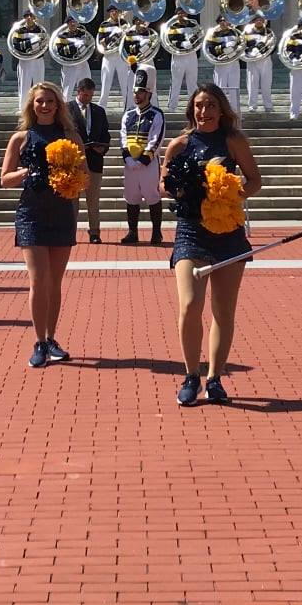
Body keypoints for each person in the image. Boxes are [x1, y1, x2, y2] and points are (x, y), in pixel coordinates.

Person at [162, 82, 263, 406]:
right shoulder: (179, 144)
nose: (204, 111)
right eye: (199, 106)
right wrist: (184, 191)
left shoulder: (233, 141)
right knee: (190, 305)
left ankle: (215, 378)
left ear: (221, 110)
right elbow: (164, 185)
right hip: (191, 232)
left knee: (223, 310)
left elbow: (255, 180)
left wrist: (229, 194)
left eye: (210, 106)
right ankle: (191, 375)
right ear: (191, 109)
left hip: (228, 233)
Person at [2, 80, 82, 367]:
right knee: (39, 280)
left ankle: (50, 337)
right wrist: (29, 172)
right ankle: (38, 342)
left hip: (61, 213)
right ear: (31, 105)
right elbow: (4, 179)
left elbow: (82, 174)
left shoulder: (70, 135)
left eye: (50, 101)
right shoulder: (20, 138)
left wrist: (70, 180)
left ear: (58, 105)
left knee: (55, 282)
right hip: (31, 214)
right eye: (39, 101)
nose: (45, 106)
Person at [119, 77, 167, 245]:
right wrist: (128, 158)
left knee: (152, 196)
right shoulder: (128, 114)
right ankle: (133, 232)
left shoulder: (156, 114)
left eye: (140, 92)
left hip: (148, 164)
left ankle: (156, 233)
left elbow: (156, 139)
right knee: (131, 197)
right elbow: (123, 137)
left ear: (148, 93)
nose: (137, 95)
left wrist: (143, 159)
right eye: (135, 92)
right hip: (130, 164)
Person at [69, 77, 112, 244]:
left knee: (93, 201)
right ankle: (70, 231)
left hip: (94, 161)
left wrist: (103, 147)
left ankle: (95, 232)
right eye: (85, 95)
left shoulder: (99, 111)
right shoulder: (67, 109)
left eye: (91, 96)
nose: (88, 98)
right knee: (72, 201)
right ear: (78, 91)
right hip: (74, 161)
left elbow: (105, 134)